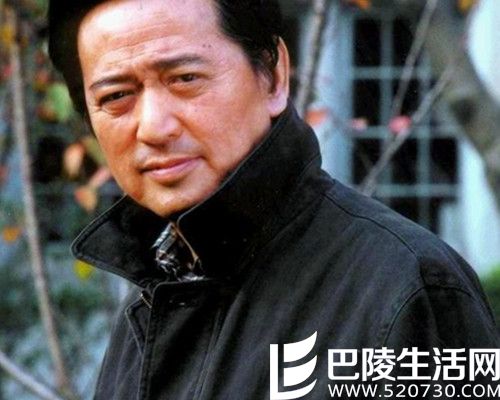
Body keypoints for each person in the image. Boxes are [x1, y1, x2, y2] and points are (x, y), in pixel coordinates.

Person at [48, 0, 499, 399]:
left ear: (274, 76)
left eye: (185, 78)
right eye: (117, 96)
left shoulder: (409, 286)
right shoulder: (155, 296)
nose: (153, 127)